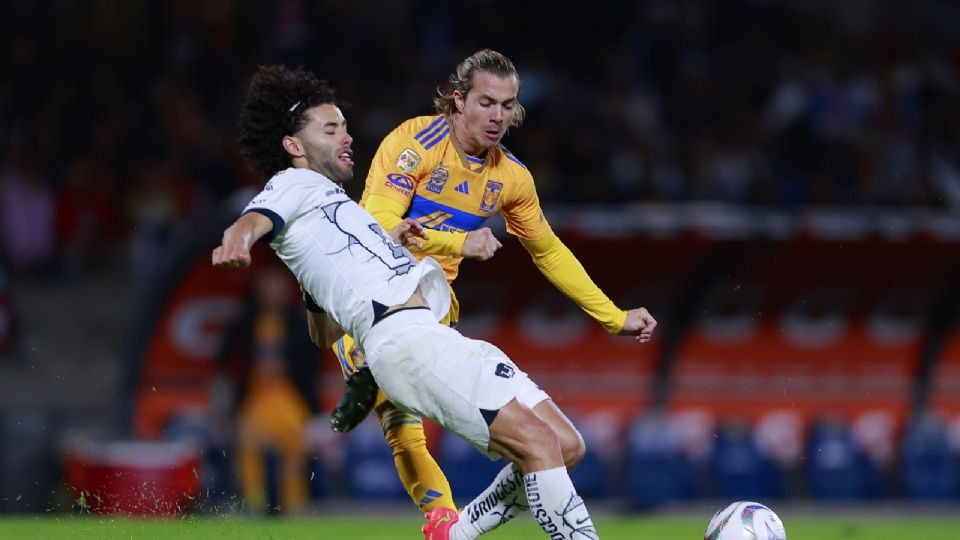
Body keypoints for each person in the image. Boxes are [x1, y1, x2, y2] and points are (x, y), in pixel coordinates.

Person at [212, 65, 656, 539]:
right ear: (459, 99)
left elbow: (544, 249)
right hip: (396, 329)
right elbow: (292, 217)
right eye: (487, 102)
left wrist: (612, 316)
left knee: (566, 445)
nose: (498, 115)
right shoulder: (386, 153)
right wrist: (238, 239)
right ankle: (437, 510)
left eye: (507, 106)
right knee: (468, 436)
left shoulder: (341, 202)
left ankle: (455, 530)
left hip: (431, 319)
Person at [214, 263, 322, 514]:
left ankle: (294, 506)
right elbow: (224, 361)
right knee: (248, 445)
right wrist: (223, 399)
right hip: (257, 397)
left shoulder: (299, 322)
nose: (272, 291)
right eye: (267, 284)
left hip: (290, 397)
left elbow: (312, 365)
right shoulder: (245, 321)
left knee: (295, 449)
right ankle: (254, 503)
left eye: (277, 285)